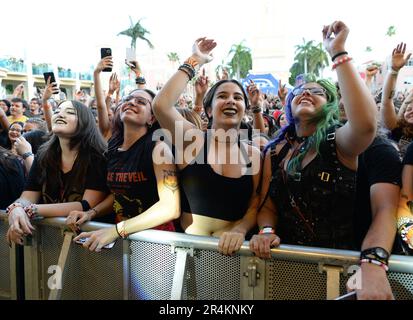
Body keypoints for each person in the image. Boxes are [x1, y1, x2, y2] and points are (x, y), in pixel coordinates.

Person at [249, 21, 377, 255]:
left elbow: (366, 127)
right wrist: (267, 231)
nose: (306, 92)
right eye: (299, 91)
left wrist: (337, 52)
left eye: (317, 92)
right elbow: (267, 205)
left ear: (330, 105)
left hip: (339, 267)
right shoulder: (276, 150)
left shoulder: (337, 140)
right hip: (286, 262)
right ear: (289, 104)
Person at [152, 37, 261, 256]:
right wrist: (195, 60)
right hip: (187, 253)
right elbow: (161, 105)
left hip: (234, 255)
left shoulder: (255, 154)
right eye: (222, 96)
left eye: (238, 98)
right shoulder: (193, 141)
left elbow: (255, 204)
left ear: (244, 110)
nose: (231, 100)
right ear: (209, 110)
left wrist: (240, 230)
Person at [73, 57, 180, 252]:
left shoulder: (158, 148)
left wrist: (117, 230)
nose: (131, 103)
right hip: (124, 239)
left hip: (156, 243)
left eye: (140, 102)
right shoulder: (113, 146)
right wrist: (92, 213)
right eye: (127, 99)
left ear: (152, 117)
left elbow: (170, 208)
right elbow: (119, 195)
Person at [6, 99, 109, 245]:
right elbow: (28, 195)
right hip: (52, 241)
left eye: (70, 112)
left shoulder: (97, 155)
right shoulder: (43, 155)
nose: (60, 114)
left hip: (91, 241)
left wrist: (31, 210)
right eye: (57, 111)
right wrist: (16, 209)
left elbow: (86, 205)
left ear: (85, 122)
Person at [380, 42, 413, 156]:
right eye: (409, 108)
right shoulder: (397, 128)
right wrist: (393, 71)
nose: (411, 111)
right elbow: (386, 101)